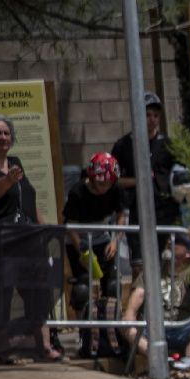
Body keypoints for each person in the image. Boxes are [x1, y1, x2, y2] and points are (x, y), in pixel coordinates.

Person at [0, 114, 59, 363]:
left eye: (6, 133)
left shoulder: (15, 162)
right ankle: (4, 349)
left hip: (29, 241)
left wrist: (43, 226)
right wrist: (7, 180)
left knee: (38, 292)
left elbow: (27, 199)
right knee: (0, 295)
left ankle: (45, 346)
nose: (3, 137)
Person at [62, 153, 128, 361]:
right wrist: (82, 249)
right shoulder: (78, 191)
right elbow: (69, 224)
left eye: (108, 184)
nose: (104, 188)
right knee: (82, 287)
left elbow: (121, 215)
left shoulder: (115, 188)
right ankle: (84, 332)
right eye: (101, 184)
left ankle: (112, 329)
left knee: (111, 284)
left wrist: (116, 240)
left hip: (102, 237)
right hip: (78, 238)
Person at [120, 233, 190, 369]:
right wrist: (130, 314)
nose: (170, 242)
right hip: (154, 328)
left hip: (182, 328)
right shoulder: (154, 270)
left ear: (189, 253)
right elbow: (139, 293)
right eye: (169, 240)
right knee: (129, 329)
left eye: (178, 241)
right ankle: (161, 359)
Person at [111, 92, 183, 253]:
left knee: (167, 257)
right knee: (139, 263)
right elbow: (112, 181)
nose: (152, 119)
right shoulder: (123, 145)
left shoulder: (166, 144)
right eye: (148, 114)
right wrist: (138, 181)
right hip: (135, 211)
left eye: (156, 115)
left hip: (164, 212)